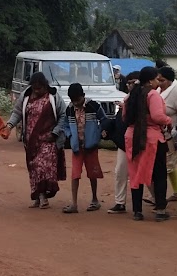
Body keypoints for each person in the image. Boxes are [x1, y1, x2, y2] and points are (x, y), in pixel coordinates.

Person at [122, 66, 171, 221]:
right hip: (151, 139)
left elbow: (124, 116)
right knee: (159, 174)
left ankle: (137, 211)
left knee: (135, 173)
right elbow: (157, 116)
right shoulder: (153, 95)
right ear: (150, 80)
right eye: (157, 79)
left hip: (132, 137)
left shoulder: (131, 96)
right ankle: (161, 210)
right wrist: (168, 121)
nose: (159, 82)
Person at [10, 71, 63, 207]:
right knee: (33, 168)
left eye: (40, 88)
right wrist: (9, 125)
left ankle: (43, 195)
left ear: (45, 86)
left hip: (48, 139)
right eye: (35, 88)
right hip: (31, 141)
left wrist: (55, 132)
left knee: (42, 166)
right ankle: (38, 197)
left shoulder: (53, 96)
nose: (37, 91)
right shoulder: (25, 96)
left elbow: (63, 115)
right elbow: (17, 112)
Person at [57, 82, 104, 214]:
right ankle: (74, 203)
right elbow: (65, 125)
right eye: (73, 100)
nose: (76, 103)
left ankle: (95, 199)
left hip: (91, 146)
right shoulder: (70, 109)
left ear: (83, 96)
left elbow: (104, 120)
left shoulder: (93, 106)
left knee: (92, 173)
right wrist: (70, 135)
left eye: (77, 100)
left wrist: (98, 133)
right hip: (77, 147)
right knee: (75, 174)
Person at [105, 68, 139, 212]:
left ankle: (157, 200)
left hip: (139, 142)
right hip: (124, 142)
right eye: (128, 83)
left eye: (132, 83)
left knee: (143, 173)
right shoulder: (126, 98)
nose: (129, 85)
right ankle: (120, 202)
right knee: (120, 172)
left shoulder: (145, 99)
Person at [158, 65, 177, 203]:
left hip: (173, 137)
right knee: (167, 165)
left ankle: (159, 197)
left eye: (162, 80)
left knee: (166, 166)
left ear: (170, 80)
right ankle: (176, 192)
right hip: (159, 136)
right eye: (158, 79)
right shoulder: (158, 91)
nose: (159, 83)